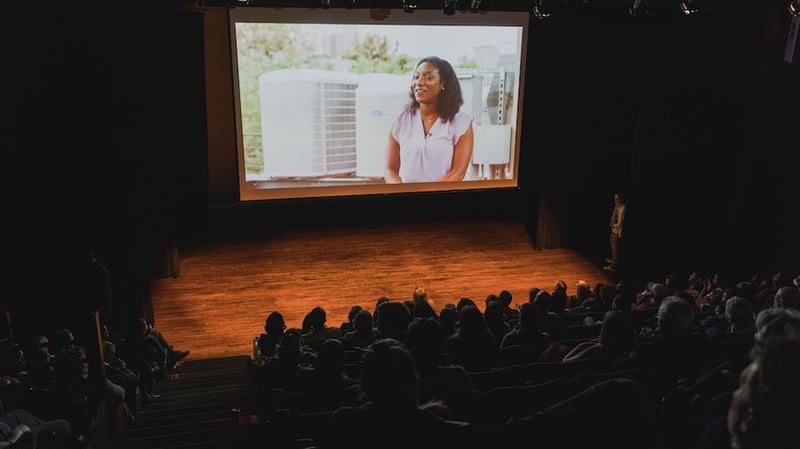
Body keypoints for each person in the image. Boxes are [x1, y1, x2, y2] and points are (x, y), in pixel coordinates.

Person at [384, 56, 474, 184]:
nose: (419, 82)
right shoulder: (401, 120)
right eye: (416, 77)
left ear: (443, 84)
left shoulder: (461, 123)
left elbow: (458, 172)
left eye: (429, 77)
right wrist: (401, 192)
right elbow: (389, 169)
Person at [604, 192, 626, 271]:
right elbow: (613, 217)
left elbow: (620, 223)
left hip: (618, 231)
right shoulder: (617, 207)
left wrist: (614, 225)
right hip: (614, 230)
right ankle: (613, 261)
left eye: (616, 199)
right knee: (612, 246)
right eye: (615, 199)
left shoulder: (623, 208)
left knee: (615, 249)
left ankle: (614, 265)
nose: (615, 200)